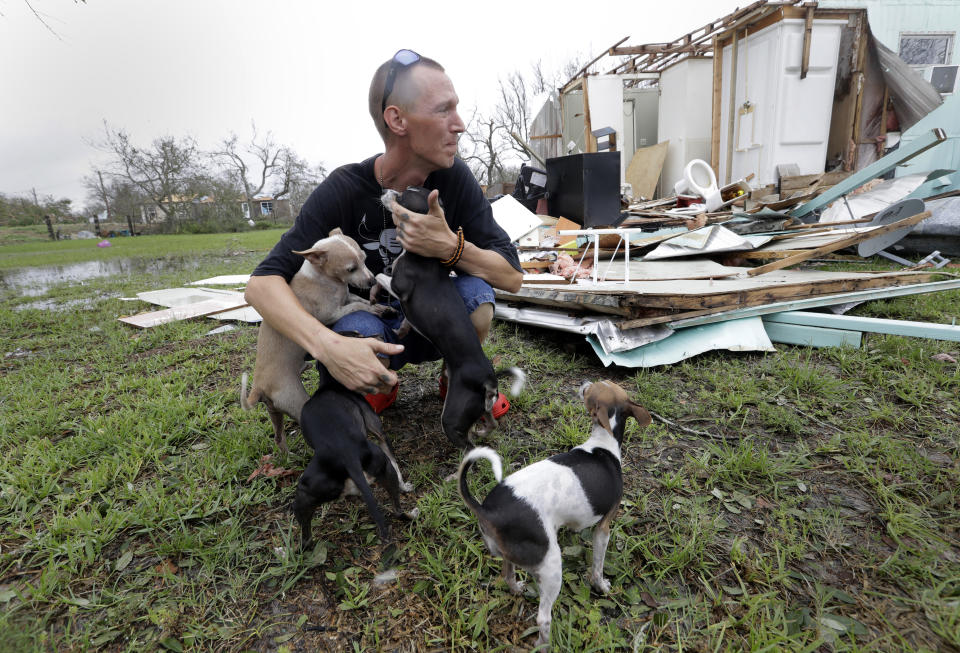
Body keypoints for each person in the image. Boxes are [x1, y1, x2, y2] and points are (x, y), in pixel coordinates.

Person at [244, 49, 523, 414]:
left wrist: (450, 247)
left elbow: (512, 277)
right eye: (444, 110)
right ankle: (375, 382)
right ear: (397, 120)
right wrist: (326, 345)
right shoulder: (343, 188)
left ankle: (456, 375)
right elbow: (260, 285)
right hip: (365, 320)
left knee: (477, 297)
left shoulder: (455, 179)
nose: (460, 124)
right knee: (352, 330)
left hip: (429, 315)